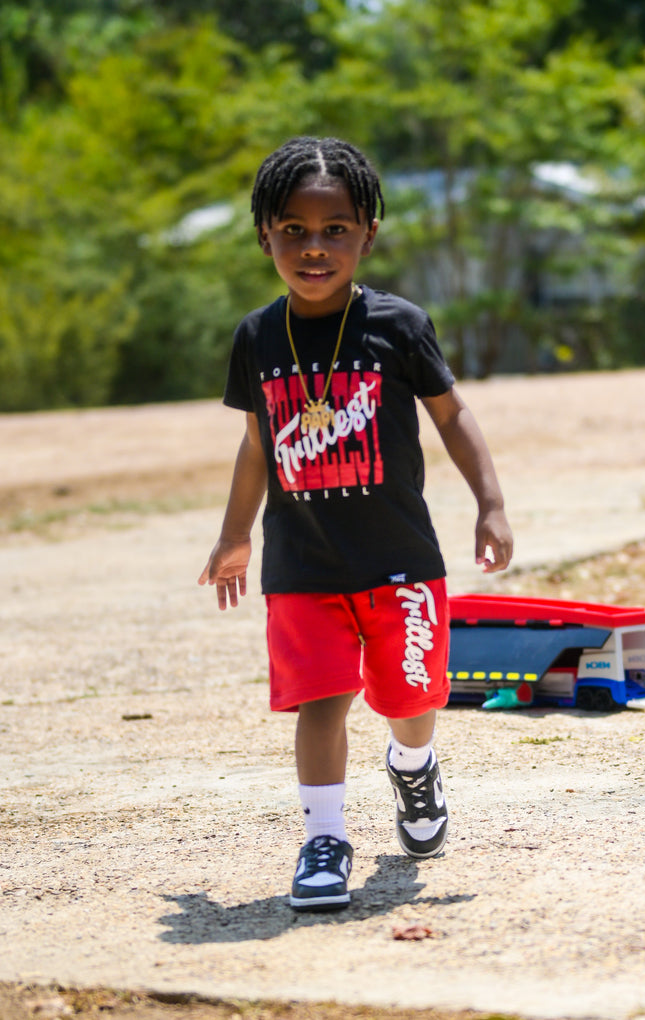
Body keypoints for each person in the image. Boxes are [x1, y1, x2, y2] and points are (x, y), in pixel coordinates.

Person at [198, 136, 513, 912]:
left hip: (400, 559)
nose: (314, 247)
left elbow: (453, 413)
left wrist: (491, 502)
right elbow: (255, 446)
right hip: (303, 565)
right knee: (322, 700)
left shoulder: (398, 325)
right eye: (293, 229)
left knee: (410, 699)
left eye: (335, 228)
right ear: (264, 235)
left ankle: (414, 768)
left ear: (367, 233)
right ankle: (324, 837)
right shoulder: (256, 338)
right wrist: (236, 534)